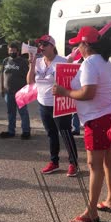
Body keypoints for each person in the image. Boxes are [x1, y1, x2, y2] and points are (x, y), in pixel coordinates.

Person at [53, 26, 111, 222]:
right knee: (109, 158)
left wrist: (64, 92)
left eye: (79, 44)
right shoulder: (104, 61)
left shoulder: (90, 63)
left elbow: (88, 93)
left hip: (96, 118)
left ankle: (91, 211)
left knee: (94, 165)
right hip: (108, 114)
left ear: (86, 44)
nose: (77, 48)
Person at [27, 34, 78, 177]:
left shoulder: (62, 61)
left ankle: (73, 163)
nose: (41, 47)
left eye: (44, 44)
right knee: (51, 134)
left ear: (52, 46)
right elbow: (30, 82)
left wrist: (70, 63)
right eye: (39, 45)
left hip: (59, 104)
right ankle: (54, 162)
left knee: (66, 133)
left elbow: (71, 81)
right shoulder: (37, 62)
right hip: (43, 103)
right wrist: (31, 65)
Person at [0, 42, 31, 139]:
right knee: (10, 112)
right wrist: (2, 88)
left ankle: (26, 131)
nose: (12, 52)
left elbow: (29, 76)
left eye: (13, 50)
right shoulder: (5, 61)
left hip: (21, 92)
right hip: (8, 92)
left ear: (18, 51)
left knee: (23, 112)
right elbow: (2, 76)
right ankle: (11, 131)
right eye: (10, 50)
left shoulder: (23, 62)